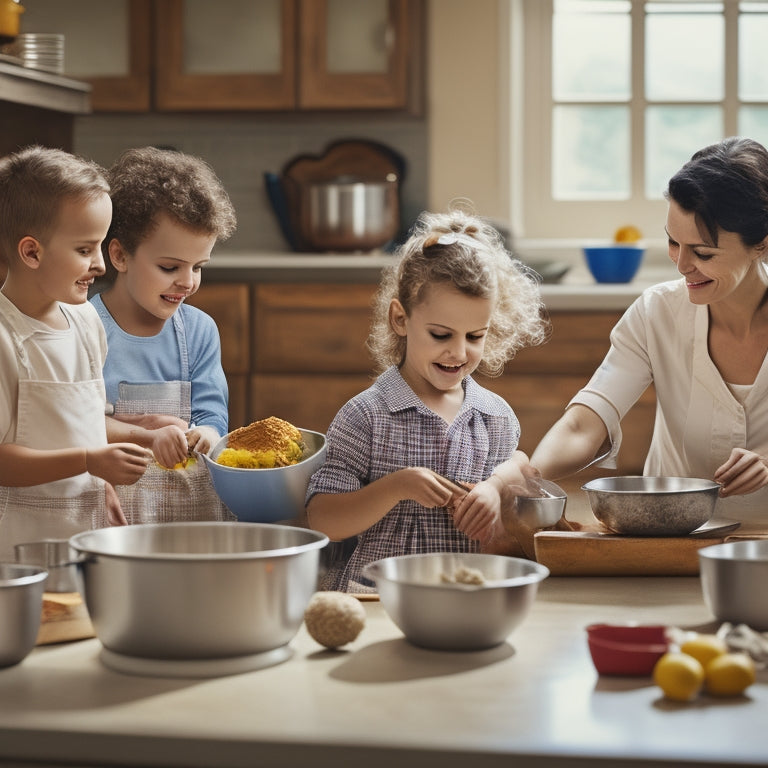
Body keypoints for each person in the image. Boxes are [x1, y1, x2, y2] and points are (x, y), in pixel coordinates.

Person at [530, 136, 768, 533]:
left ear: (762, 242)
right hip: (671, 543)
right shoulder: (657, 312)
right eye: (673, 243)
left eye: (703, 253)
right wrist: (524, 476)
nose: (682, 265)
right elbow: (584, 424)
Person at [305, 208, 550, 591]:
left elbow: (519, 476)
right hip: (375, 597)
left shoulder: (493, 416)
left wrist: (493, 491)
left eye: (474, 336)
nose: (458, 352)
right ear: (400, 320)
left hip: (464, 592)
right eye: (440, 335)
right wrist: (396, 486)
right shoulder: (365, 415)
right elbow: (322, 520)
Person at [0, 145, 152, 559]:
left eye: (100, 246)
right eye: (85, 250)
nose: (101, 264)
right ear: (31, 252)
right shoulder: (4, 338)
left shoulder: (85, 322)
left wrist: (111, 474)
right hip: (17, 551)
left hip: (85, 538)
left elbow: (84, 422)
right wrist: (89, 461)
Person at [90, 146, 237, 523]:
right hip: (109, 504)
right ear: (119, 256)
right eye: (170, 266)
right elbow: (78, 421)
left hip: (183, 509)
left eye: (198, 267)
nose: (187, 282)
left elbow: (211, 411)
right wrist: (147, 438)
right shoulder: (84, 326)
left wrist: (205, 431)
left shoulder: (199, 332)